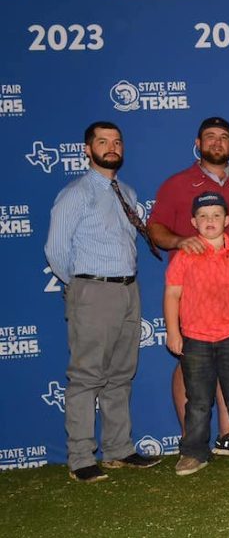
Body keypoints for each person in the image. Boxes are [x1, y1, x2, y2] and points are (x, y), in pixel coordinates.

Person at [45, 121, 161, 482]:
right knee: (86, 376)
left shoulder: (125, 191)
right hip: (94, 289)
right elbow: (55, 249)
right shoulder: (77, 192)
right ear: (86, 149)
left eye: (116, 141)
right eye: (102, 142)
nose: (111, 147)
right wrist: (81, 285)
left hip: (128, 288)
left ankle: (118, 449)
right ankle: (80, 457)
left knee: (120, 374)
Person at [148, 117, 229, 456]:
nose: (217, 142)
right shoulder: (177, 184)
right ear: (198, 143)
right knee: (188, 363)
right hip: (194, 293)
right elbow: (155, 229)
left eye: (224, 137)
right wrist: (181, 240)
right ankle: (191, 439)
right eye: (210, 137)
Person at [165, 192, 229, 476]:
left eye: (216, 215)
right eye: (203, 216)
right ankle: (194, 452)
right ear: (193, 222)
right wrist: (173, 332)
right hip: (195, 338)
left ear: (227, 220)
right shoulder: (184, 257)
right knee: (197, 399)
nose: (210, 221)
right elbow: (172, 295)